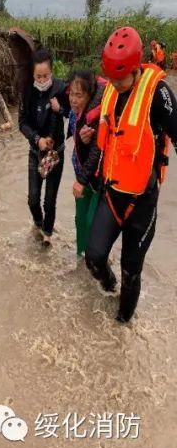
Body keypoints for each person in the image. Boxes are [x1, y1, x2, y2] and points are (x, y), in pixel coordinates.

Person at [80, 27, 177, 322]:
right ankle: (109, 289)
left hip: (142, 200)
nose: (115, 84)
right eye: (110, 78)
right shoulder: (110, 89)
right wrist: (89, 133)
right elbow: (107, 130)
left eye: (120, 78)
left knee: (131, 271)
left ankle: (122, 329)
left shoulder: (158, 93)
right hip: (112, 194)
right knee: (93, 258)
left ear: (135, 68)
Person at [18, 48, 67, 245]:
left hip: (56, 154)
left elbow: (74, 114)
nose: (42, 79)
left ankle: (47, 237)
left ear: (52, 72)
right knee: (33, 199)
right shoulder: (27, 91)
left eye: (45, 76)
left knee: (49, 201)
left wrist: (60, 108)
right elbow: (21, 122)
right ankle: (38, 225)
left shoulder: (62, 89)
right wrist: (37, 139)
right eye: (38, 76)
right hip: (36, 152)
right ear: (32, 75)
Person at [65, 69, 105, 260]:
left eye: (79, 95)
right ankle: (80, 258)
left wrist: (84, 142)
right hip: (80, 175)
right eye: (71, 94)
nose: (73, 99)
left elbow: (97, 154)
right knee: (80, 220)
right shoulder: (74, 114)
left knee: (91, 222)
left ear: (90, 96)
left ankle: (94, 261)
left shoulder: (96, 119)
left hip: (95, 180)